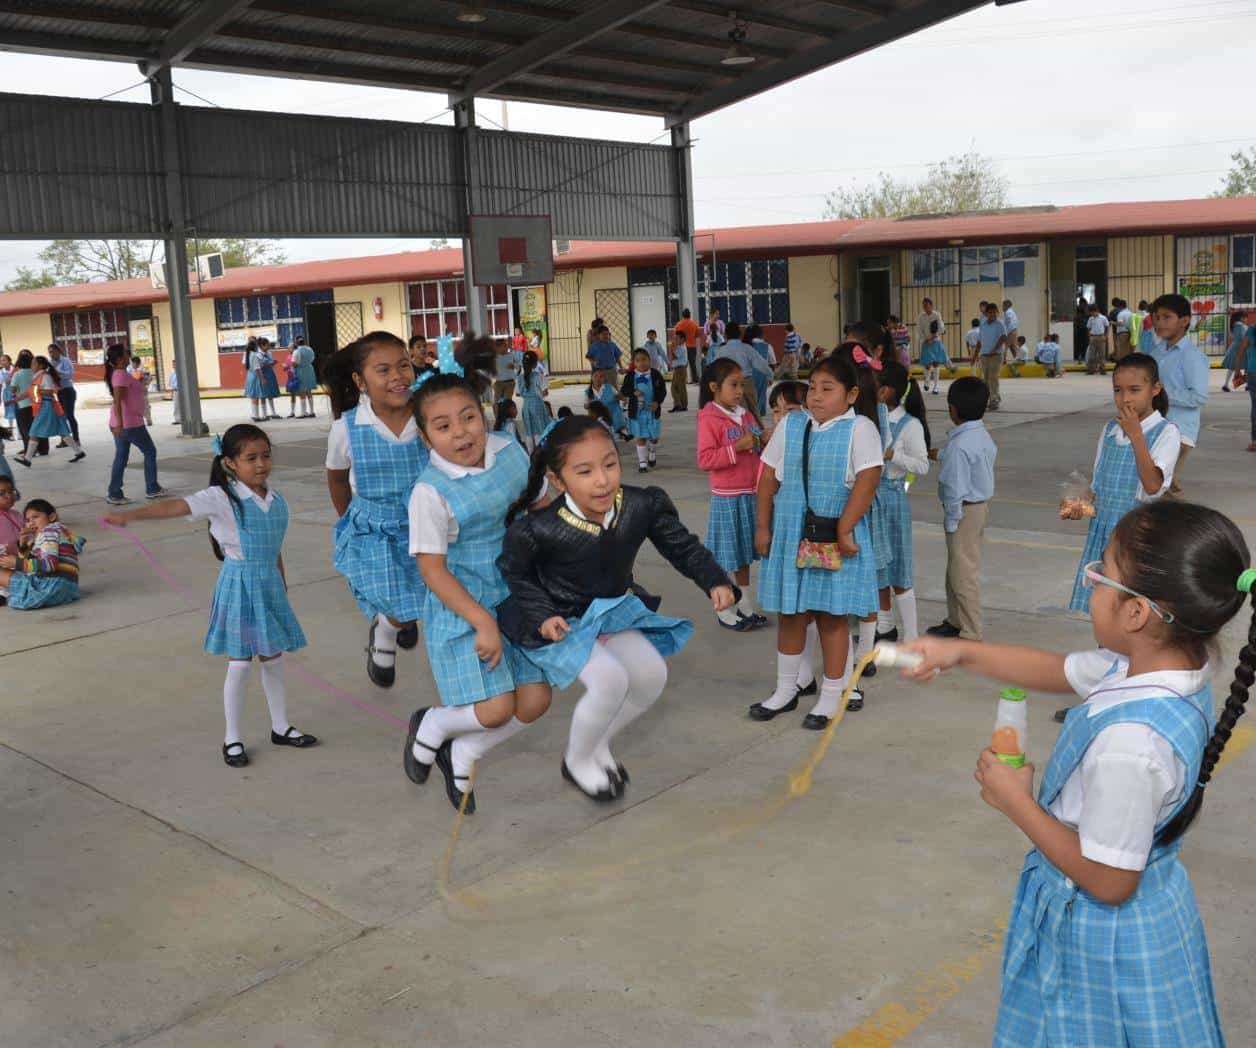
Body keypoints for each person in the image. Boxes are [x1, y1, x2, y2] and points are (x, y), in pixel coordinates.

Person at [900, 500, 1252, 1048]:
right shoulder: (1160, 665)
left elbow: (1111, 881)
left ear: (1136, 613)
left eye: (1100, 573)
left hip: (1106, 943)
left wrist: (1016, 801)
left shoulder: (1131, 745)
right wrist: (960, 653)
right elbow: (1055, 669)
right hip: (1146, 914)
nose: (1090, 583)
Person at [497, 416, 736, 800]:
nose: (602, 480)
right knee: (609, 681)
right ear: (558, 480)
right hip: (557, 619)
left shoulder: (642, 505)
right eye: (585, 471)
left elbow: (683, 547)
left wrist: (715, 579)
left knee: (651, 676)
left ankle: (596, 744)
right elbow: (515, 573)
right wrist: (543, 615)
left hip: (610, 609)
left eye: (610, 464)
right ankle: (576, 761)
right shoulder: (536, 529)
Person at [103, 424, 317, 768]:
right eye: (251, 458)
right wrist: (130, 515)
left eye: (265, 456)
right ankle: (232, 738)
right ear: (231, 463)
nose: (261, 464)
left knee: (274, 658)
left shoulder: (275, 499)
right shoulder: (221, 498)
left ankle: (281, 726)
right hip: (241, 586)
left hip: (269, 586)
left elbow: (274, 549)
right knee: (240, 663)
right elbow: (174, 508)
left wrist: (282, 584)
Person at [403, 340, 552, 814]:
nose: (462, 434)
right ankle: (431, 723)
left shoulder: (510, 451)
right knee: (495, 709)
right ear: (426, 439)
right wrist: (482, 623)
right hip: (463, 604)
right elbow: (432, 569)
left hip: (516, 592)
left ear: (483, 412)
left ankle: (464, 751)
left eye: (469, 417)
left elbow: (542, 505)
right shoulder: (429, 492)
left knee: (534, 701)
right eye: (443, 427)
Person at [750, 353, 882, 727]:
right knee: (790, 613)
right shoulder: (792, 425)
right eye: (812, 388)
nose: (817, 396)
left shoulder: (860, 430)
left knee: (831, 617)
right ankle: (786, 689)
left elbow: (868, 481)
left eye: (828, 389)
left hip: (830, 534)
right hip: (792, 532)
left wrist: (845, 528)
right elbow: (767, 479)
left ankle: (830, 694)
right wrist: (763, 527)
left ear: (852, 394)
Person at [324, 332, 427, 690]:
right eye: (383, 370)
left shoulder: (429, 415)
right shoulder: (346, 428)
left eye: (403, 365)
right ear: (360, 381)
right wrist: (348, 519)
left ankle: (398, 620)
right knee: (394, 601)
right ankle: (385, 632)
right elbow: (337, 479)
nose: (398, 376)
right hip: (376, 530)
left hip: (425, 524)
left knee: (428, 591)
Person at [1065, 353, 1180, 614]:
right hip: (1104, 537)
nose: (1125, 398)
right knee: (1106, 614)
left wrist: (1136, 435)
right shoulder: (1109, 430)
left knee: (1130, 612)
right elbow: (1098, 488)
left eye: (1134, 390)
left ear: (1155, 390)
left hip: (1135, 538)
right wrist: (1079, 505)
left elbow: (1152, 485)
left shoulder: (1166, 432)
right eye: (1118, 390)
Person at [697, 357, 767, 632]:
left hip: (750, 494)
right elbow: (705, 459)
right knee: (726, 557)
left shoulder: (746, 414)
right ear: (715, 386)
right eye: (733, 385)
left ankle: (745, 604)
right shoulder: (709, 418)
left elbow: (758, 443)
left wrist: (763, 440)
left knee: (743, 556)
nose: (739, 391)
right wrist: (736, 447)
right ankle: (724, 609)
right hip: (727, 496)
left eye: (741, 385)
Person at [927, 377, 996, 641]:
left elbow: (954, 488)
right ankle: (955, 619)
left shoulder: (958, 446)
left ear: (953, 409)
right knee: (956, 568)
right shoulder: (978, 434)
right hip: (978, 508)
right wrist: (939, 454)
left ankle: (971, 630)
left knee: (964, 571)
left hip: (963, 512)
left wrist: (952, 520)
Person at [873, 361, 929, 645]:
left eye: (878, 386)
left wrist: (893, 455)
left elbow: (922, 466)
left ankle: (912, 634)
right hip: (872, 499)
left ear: (890, 390)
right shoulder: (872, 419)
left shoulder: (910, 424)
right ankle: (885, 624)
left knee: (899, 568)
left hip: (893, 500)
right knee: (878, 567)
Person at [1149, 293, 1209, 499]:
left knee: (1162, 485)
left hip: (1179, 432)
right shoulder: (1156, 353)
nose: (1159, 322)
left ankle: (1181, 526)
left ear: (1184, 321)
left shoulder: (1192, 356)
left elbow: (1199, 397)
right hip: (1156, 427)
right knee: (1157, 485)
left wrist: (1162, 392)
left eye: (1167, 317)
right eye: (1156, 317)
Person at [105, 344, 165, 506]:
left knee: (121, 457)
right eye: (125, 354)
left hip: (125, 423)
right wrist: (119, 424)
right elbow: (118, 401)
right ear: (119, 359)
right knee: (150, 451)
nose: (128, 356)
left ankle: (115, 492)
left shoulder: (122, 374)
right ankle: (152, 488)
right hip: (130, 424)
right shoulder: (120, 375)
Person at [0, 498, 84, 610]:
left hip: (51, 586)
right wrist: (23, 545)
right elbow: (30, 566)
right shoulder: (58, 531)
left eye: (36, 517)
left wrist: (17, 563)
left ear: (51, 517)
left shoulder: (48, 533)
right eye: (28, 520)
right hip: (68, 590)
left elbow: (49, 565)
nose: (31, 523)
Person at [14, 356, 84, 467]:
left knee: (34, 431)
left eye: (33, 363)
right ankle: (79, 452)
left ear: (41, 365)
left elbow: (51, 391)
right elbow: (30, 392)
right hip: (47, 406)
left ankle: (27, 459)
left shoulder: (45, 376)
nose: (32, 366)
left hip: (46, 406)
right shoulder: (37, 377)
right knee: (62, 430)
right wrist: (15, 399)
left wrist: (39, 391)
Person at [711, 321, 772, 420]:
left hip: (728, 385)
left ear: (725, 335)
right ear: (740, 334)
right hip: (746, 383)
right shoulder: (747, 348)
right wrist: (770, 375)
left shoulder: (721, 351)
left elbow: (714, 369)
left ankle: (738, 434)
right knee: (754, 414)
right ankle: (758, 434)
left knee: (733, 414)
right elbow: (761, 364)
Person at [619, 347, 666, 473]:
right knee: (640, 436)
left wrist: (657, 402)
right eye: (638, 360)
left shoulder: (656, 375)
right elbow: (624, 390)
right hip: (637, 413)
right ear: (634, 363)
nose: (641, 363)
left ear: (649, 360)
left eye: (644, 359)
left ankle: (652, 451)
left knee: (654, 437)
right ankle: (642, 463)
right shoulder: (630, 376)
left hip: (652, 411)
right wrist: (633, 392)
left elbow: (662, 391)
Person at [972, 303, 1008, 411]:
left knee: (994, 377)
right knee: (986, 379)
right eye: (990, 312)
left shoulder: (1000, 324)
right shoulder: (982, 324)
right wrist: (975, 356)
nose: (993, 314)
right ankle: (991, 397)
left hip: (996, 355)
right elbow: (979, 341)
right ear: (986, 313)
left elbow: (1003, 337)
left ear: (997, 312)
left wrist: (995, 349)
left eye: (995, 312)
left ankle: (994, 400)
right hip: (984, 355)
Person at [516, 350, 551, 454]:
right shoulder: (539, 376)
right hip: (537, 404)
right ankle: (542, 453)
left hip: (526, 406)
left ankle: (532, 454)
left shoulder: (520, 378)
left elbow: (518, 393)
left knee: (529, 430)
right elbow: (545, 392)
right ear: (535, 363)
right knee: (540, 429)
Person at [47, 344, 79, 447]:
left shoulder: (66, 361)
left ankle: (76, 439)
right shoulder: (50, 363)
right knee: (61, 416)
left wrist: (57, 372)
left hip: (68, 391)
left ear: (58, 351)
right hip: (59, 392)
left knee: (69, 415)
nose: (51, 354)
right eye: (49, 352)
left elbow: (70, 375)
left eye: (53, 351)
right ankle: (65, 440)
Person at [586, 367, 629, 442]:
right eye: (596, 376)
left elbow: (619, 396)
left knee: (617, 413)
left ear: (604, 378)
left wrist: (623, 399)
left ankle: (620, 432)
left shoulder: (609, 387)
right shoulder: (587, 392)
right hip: (599, 417)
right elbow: (586, 406)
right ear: (591, 377)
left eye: (601, 376)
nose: (598, 379)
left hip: (613, 414)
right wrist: (587, 405)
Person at [7, 350, 36, 458]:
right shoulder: (35, 372)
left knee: (25, 428)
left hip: (22, 405)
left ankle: (29, 451)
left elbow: (13, 390)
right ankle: (43, 448)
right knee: (37, 427)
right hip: (36, 404)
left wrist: (11, 385)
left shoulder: (17, 374)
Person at [919, 320, 951, 393]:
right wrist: (925, 339)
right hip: (926, 342)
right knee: (927, 364)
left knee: (936, 364)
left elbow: (943, 331)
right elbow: (920, 331)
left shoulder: (939, 320)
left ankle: (936, 387)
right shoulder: (924, 320)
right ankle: (927, 381)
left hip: (936, 343)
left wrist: (937, 332)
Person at [288, 340, 318, 418]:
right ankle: (312, 411)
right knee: (309, 391)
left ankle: (303, 412)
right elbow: (312, 359)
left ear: (297, 344)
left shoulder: (296, 351)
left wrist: (292, 369)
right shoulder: (310, 349)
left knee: (302, 392)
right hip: (309, 370)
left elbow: (294, 364)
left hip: (301, 371)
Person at [1237, 332, 1256, 452]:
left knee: (1255, 406)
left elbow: (1240, 352)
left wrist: (1237, 371)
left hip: (1253, 373)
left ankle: (1255, 441)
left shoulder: (1252, 330)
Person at [1221, 310, 1247, 392]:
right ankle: (1248, 385)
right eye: (1245, 317)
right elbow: (1244, 337)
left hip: (1234, 347)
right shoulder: (1241, 326)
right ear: (1241, 318)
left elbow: (1232, 336)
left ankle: (1225, 384)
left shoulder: (1233, 325)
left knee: (1232, 367)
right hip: (1242, 348)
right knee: (1248, 365)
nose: (1246, 319)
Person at [256, 338, 282, 420]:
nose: (269, 346)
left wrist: (272, 363)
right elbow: (258, 367)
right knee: (263, 395)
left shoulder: (269, 353)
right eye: (267, 345)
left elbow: (270, 364)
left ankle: (273, 412)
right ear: (262, 346)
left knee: (270, 394)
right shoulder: (258, 355)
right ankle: (264, 414)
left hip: (270, 374)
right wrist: (268, 363)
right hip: (263, 375)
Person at [674, 308, 701, 384]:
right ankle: (695, 379)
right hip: (692, 346)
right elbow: (697, 335)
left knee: (683, 364)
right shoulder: (694, 324)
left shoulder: (678, 324)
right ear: (690, 315)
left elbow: (676, 336)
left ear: (682, 315)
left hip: (682, 346)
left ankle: (683, 379)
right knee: (692, 364)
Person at [243, 338, 267, 422]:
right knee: (256, 396)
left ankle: (254, 414)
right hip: (255, 377)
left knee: (253, 396)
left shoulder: (247, 354)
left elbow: (245, 365)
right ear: (255, 347)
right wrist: (262, 378)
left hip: (249, 376)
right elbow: (257, 369)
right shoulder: (255, 355)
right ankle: (256, 416)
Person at [666, 328, 689, 411]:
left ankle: (682, 405)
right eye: (675, 338)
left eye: (677, 338)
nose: (675, 340)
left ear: (682, 339)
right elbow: (672, 358)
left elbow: (674, 356)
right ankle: (678, 404)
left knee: (679, 388)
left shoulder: (681, 347)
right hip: (678, 369)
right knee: (676, 388)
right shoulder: (679, 346)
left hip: (680, 369)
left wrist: (671, 348)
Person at [1085, 304, 1111, 375]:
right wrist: (1089, 337)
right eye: (1091, 313)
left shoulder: (1103, 318)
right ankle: (1091, 369)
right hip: (1093, 337)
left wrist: (1106, 336)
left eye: (1093, 312)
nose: (1092, 314)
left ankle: (1102, 369)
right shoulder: (1090, 319)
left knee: (1102, 354)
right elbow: (1088, 328)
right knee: (1092, 354)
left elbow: (1107, 326)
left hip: (1101, 336)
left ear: (1096, 311)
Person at [493, 337, 520, 403]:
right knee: (496, 401)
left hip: (510, 382)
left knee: (507, 401)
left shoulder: (511, 355)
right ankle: (497, 413)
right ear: (497, 347)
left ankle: (506, 412)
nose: (506, 347)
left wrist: (514, 366)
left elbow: (519, 366)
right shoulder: (494, 357)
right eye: (504, 345)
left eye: (506, 345)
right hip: (498, 382)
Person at [0, 476, 21, 554]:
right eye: (1, 493)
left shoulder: (17, 515)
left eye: (10, 491)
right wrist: (5, 549)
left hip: (18, 559)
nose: (9, 496)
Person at [130, 355, 153, 426]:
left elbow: (149, 379)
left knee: (145, 406)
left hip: (142, 391)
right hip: (134, 392)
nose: (131, 364)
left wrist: (144, 378)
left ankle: (148, 420)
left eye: (132, 363)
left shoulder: (143, 370)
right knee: (136, 407)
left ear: (136, 363)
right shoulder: (130, 371)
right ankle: (138, 421)